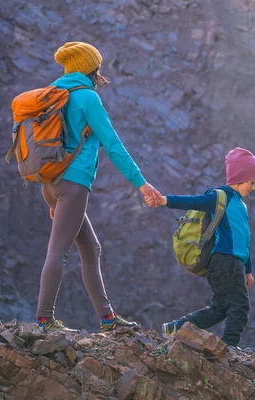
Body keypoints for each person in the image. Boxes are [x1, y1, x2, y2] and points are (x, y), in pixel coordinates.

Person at [35, 42, 163, 333]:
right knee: (58, 252)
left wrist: (51, 200)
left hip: (51, 184)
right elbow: (113, 145)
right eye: (97, 67)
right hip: (73, 186)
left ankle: (108, 319)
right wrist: (141, 184)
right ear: (90, 69)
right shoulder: (87, 98)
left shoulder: (54, 94)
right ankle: (44, 320)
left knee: (91, 248)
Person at [147, 147, 255, 347]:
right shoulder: (220, 197)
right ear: (239, 178)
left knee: (219, 309)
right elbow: (194, 201)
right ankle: (230, 347)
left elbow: (244, 240)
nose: (253, 187)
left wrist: (248, 269)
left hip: (231, 263)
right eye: (252, 182)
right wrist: (165, 200)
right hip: (225, 261)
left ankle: (175, 327)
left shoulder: (241, 206)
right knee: (240, 306)